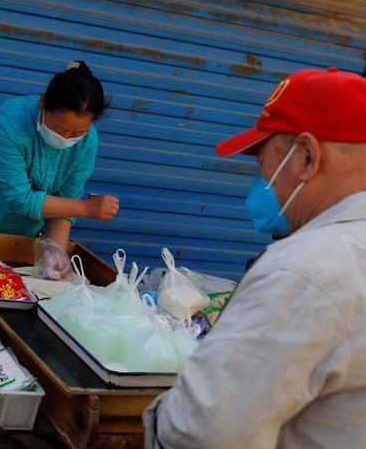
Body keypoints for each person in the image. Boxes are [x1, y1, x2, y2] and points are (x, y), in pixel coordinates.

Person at [143, 67, 366, 448]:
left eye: (263, 163)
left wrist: (163, 416)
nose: (261, 180)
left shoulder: (304, 268)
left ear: (308, 158)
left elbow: (202, 432)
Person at [0, 61, 119, 247]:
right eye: (59, 127)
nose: (65, 137)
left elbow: (66, 201)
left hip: (26, 231)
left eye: (76, 133)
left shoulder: (88, 142)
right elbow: (20, 199)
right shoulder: (9, 124)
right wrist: (86, 207)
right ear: (43, 103)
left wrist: (55, 251)